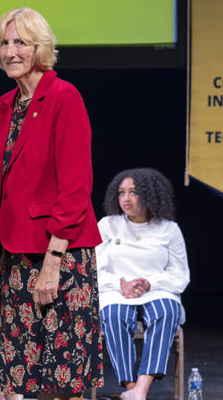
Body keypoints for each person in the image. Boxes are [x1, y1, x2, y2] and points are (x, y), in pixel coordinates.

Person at [0, 7, 104, 399]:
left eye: (20, 42)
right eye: (4, 43)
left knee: (61, 376)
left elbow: (75, 186)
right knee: (28, 374)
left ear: (41, 47)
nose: (10, 51)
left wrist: (53, 262)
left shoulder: (63, 96)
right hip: (17, 255)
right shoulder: (6, 105)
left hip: (60, 253)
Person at [95, 168, 190, 400]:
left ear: (150, 195)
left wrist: (150, 283)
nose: (126, 198)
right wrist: (121, 284)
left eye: (133, 192)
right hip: (117, 293)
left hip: (157, 292)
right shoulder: (108, 225)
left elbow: (180, 274)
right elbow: (92, 269)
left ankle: (141, 389)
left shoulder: (168, 229)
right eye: (121, 193)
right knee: (115, 314)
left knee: (167, 312)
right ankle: (130, 388)